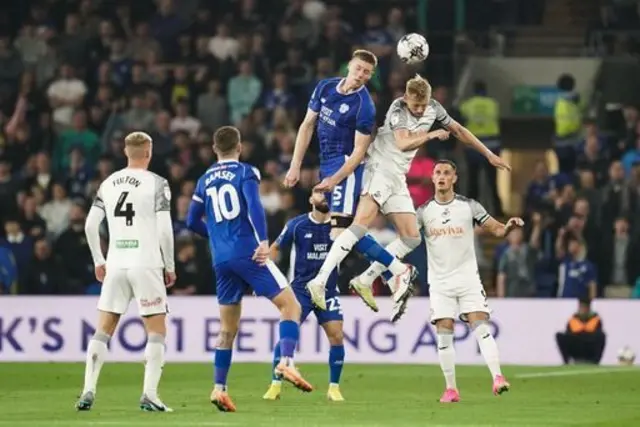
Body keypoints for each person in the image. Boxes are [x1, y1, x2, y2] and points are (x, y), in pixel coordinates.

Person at [310, 75, 511, 322]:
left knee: (412, 237)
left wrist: (489, 154)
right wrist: (432, 134)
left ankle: (365, 279)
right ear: (406, 98)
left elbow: (458, 130)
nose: (419, 110)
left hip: (397, 176)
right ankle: (319, 281)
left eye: (423, 106)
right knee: (359, 225)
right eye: (415, 105)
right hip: (379, 169)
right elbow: (403, 142)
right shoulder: (398, 108)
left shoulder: (434, 108)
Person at [186, 126, 312, 412]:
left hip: (221, 259)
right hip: (249, 253)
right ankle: (287, 362)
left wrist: (216, 237)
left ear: (214, 149)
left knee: (227, 329)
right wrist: (264, 240)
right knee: (291, 306)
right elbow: (254, 205)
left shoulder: (204, 180)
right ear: (239, 147)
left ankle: (219, 388)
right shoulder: (246, 172)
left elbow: (191, 221)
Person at [283, 49, 416, 315]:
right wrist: (295, 164)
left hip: (346, 168)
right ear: (349, 67)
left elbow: (358, 153)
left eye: (367, 73)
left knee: (342, 232)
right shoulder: (325, 87)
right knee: (340, 232)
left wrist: (334, 179)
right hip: (326, 164)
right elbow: (307, 125)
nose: (362, 76)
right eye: (358, 69)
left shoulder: (364, 106)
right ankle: (397, 269)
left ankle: (398, 269)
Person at [77, 131, 176, 412]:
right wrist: (169, 265)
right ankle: (149, 394)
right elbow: (165, 230)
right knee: (156, 330)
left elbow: (89, 225)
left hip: (116, 263)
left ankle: (88, 390)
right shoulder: (157, 183)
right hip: (146, 263)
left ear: (125, 152)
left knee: (103, 329)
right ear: (149, 152)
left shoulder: (108, 183)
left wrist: (99, 259)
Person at [416, 160, 522, 403]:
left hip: (467, 279)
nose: (442, 176)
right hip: (440, 282)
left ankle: (498, 377)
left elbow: (495, 228)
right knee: (444, 331)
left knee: (481, 326)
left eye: (446, 173)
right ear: (432, 178)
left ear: (455, 178)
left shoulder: (468, 206)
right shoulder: (423, 212)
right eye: (438, 173)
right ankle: (451, 389)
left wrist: (507, 228)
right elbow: (410, 237)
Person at [263, 193, 346, 402]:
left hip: (328, 289)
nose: (325, 196)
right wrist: (266, 276)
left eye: (329, 192)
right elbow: (275, 248)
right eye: (320, 192)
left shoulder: (341, 225)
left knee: (336, 335)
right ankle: (275, 385)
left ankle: (334, 388)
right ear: (311, 199)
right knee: (287, 333)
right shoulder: (297, 225)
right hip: (301, 289)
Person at [555, 297, 606, 365]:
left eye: (585, 307)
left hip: (589, 346)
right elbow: (568, 334)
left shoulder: (596, 319)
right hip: (577, 345)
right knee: (559, 335)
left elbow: (597, 334)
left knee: (602, 336)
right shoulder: (573, 319)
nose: (583, 309)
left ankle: (595, 362)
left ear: (589, 308)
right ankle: (566, 361)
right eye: (581, 307)